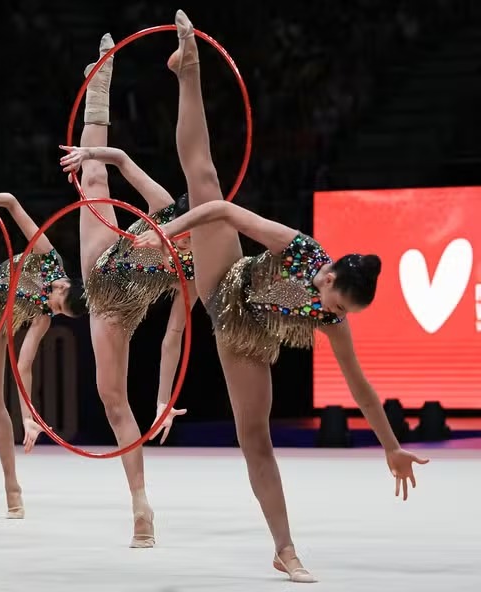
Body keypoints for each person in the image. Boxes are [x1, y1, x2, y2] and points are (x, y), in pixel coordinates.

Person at [128, 10, 430, 581]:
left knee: (256, 441)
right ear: (332, 274)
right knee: (206, 179)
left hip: (247, 336)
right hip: (226, 283)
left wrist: (390, 445)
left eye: (341, 316)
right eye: (338, 305)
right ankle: (187, 70)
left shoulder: (332, 317)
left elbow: (362, 389)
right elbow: (220, 212)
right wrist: (168, 234)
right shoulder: (299, 248)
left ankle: (283, 548)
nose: (333, 318)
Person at [55, 34, 194, 548]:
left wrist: (162, 398)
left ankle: (141, 506)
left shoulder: (195, 270)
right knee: (93, 176)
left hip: (114, 306)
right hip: (108, 255)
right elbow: (118, 162)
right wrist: (97, 150)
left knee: (114, 402)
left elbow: (173, 337)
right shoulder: (164, 211)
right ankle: (102, 79)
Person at [0, 93, 87, 518]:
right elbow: (10, 201)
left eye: (58, 313)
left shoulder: (44, 316)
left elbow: (23, 368)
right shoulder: (48, 260)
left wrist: (31, 416)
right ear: (63, 285)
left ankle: (12, 488)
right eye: (59, 303)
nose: (53, 310)